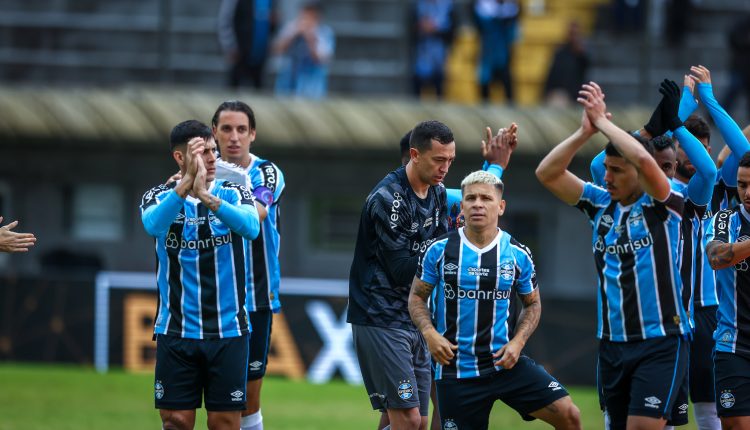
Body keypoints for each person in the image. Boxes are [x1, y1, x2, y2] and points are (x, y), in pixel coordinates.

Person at [536, 82, 691, 430]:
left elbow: (642, 159)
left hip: (660, 340)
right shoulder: (599, 203)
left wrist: (605, 123)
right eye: (606, 168)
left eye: (616, 171)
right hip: (612, 344)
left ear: (638, 172)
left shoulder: (666, 201)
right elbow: (547, 173)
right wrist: (584, 131)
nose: (606, 177)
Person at [409, 170, 581, 429]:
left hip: (505, 365)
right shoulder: (438, 250)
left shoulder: (517, 253)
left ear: (500, 207)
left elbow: (532, 303)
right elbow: (416, 297)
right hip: (457, 371)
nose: (478, 204)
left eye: (486, 199)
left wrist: (518, 342)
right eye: (471, 198)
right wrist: (429, 334)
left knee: (568, 414)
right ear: (462, 206)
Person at [140, 120, 261, 430]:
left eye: (212, 150)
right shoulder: (158, 195)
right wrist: (185, 189)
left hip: (228, 331)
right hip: (176, 331)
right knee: (176, 422)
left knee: (224, 423)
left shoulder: (233, 192)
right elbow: (153, 225)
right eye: (202, 151)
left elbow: (251, 227)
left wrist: (206, 196)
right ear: (180, 158)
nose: (212, 157)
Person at [210, 100, 285, 430]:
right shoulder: (200, 172)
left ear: (253, 134)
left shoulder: (266, 172)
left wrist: (210, 199)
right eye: (226, 129)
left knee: (247, 401)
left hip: (254, 298)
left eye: (242, 129)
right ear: (214, 133)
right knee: (208, 406)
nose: (234, 137)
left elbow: (258, 214)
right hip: (211, 300)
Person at [705, 151, 750, 429]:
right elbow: (716, 257)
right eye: (743, 185)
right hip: (734, 345)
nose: (748, 192)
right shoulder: (725, 219)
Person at [273, 0, 335, 99]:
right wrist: (293, 35)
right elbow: (277, 50)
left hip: (312, 85)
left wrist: (309, 37)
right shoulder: (292, 27)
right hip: (288, 81)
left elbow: (321, 59)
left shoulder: (325, 33)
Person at [217, 0, 276, 89]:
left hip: (260, 53)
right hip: (239, 52)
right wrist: (230, 46)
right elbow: (225, 20)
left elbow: (273, 21)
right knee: (233, 88)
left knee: (258, 90)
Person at [472, 0, 519, 103]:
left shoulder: (511, 7)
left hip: (503, 50)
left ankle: (510, 106)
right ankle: (484, 107)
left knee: (506, 79)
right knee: (485, 80)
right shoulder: (482, 7)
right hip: (487, 49)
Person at [410, 0, 456, 99]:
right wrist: (421, 27)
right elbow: (411, 32)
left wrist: (435, 29)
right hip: (422, 51)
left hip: (441, 53)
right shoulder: (418, 5)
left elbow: (452, 34)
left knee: (440, 78)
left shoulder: (448, 6)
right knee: (418, 77)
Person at [543, 21, 590, 107]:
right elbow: (552, 75)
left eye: (576, 34)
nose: (573, 37)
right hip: (560, 93)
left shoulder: (582, 54)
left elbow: (585, 70)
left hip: (576, 95)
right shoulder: (560, 53)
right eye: (571, 34)